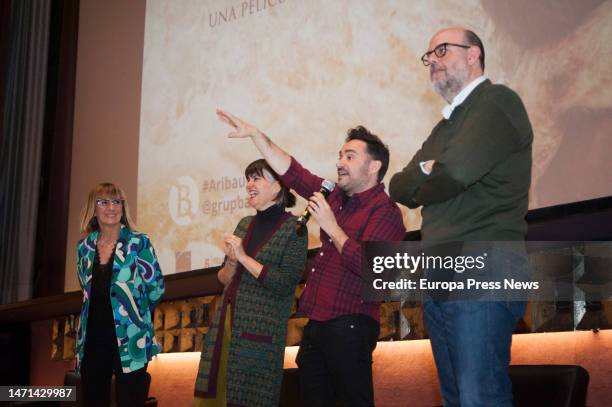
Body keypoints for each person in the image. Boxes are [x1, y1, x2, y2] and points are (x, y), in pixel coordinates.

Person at [216, 110, 405, 407]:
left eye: (350, 157)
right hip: (317, 325)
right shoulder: (336, 198)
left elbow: (375, 270)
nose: (339, 163)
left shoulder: (385, 211)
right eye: (340, 155)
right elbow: (294, 172)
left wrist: (331, 227)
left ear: (374, 166)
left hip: (351, 327)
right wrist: (256, 136)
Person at [389, 27, 533, 406]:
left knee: (478, 398)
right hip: (439, 272)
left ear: (473, 55)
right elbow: (399, 188)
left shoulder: (497, 102)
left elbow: (455, 174)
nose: (432, 60)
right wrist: (428, 171)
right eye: (428, 56)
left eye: (441, 50)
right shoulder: (444, 126)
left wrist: (431, 173)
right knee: (456, 398)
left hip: (484, 265)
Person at [194, 159, 308, 407]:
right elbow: (224, 279)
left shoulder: (295, 228)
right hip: (227, 321)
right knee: (217, 397)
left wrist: (244, 258)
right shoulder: (244, 224)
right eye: (248, 179)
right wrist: (234, 262)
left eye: (256, 178)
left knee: (250, 399)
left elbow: (285, 283)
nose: (249, 184)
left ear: (278, 187)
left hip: (260, 329)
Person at [75, 182, 165, 407]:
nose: (111, 207)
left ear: (123, 208)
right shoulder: (84, 248)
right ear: (93, 209)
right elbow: (85, 290)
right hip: (93, 338)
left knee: (130, 401)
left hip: (131, 336)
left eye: (116, 202)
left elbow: (156, 288)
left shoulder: (139, 243)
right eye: (103, 202)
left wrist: (136, 315)